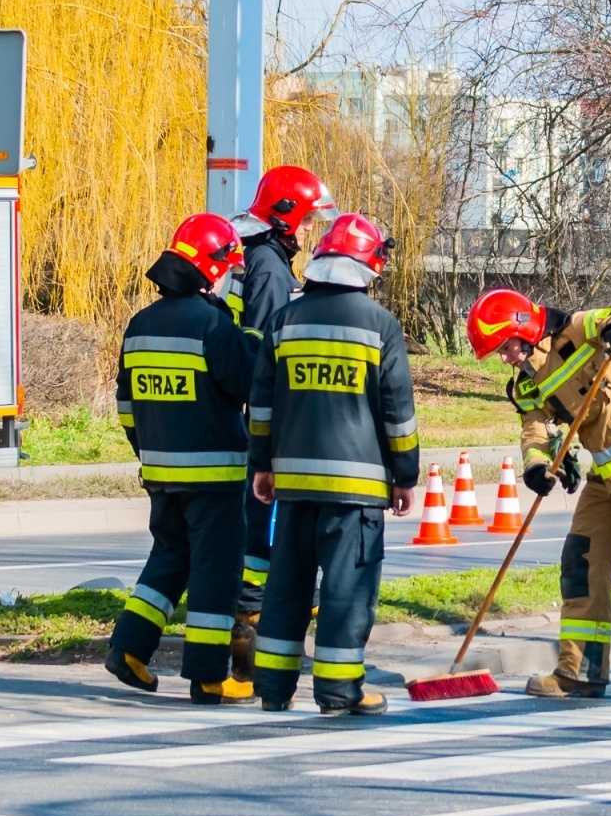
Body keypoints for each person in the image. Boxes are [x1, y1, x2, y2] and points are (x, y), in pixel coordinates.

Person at [467, 288, 611, 701]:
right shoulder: (525, 385)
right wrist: (537, 467)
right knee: (580, 563)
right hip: (608, 477)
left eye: (504, 348)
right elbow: (536, 429)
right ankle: (580, 672)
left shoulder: (581, 329)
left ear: (522, 330)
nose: (504, 359)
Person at [248, 213, 419, 714]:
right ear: (368, 268)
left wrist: (263, 465)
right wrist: (404, 476)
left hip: (295, 486)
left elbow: (262, 406)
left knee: (286, 586)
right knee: (347, 591)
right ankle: (339, 692)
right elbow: (397, 412)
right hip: (356, 490)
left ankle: (273, 689)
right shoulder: (380, 325)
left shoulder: (284, 320)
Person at [107, 213, 259, 704]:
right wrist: (251, 337)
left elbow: (126, 405)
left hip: (159, 470)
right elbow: (245, 384)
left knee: (169, 560)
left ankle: (129, 648)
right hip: (215, 476)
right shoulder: (213, 326)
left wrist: (148, 450)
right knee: (216, 574)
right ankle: (208, 676)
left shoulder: (139, 325)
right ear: (210, 267)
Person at [217, 166, 338, 690]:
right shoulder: (269, 267)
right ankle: (251, 635)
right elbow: (269, 348)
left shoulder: (256, 255)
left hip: (253, 414)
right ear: (285, 215)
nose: (311, 228)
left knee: (261, 528)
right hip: (267, 417)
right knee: (263, 531)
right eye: (307, 218)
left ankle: (256, 632)